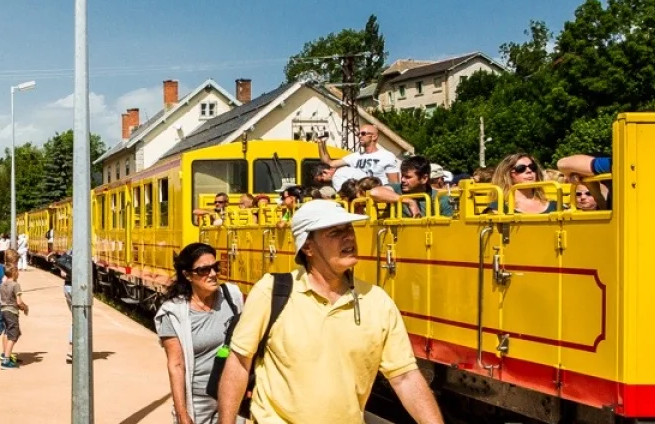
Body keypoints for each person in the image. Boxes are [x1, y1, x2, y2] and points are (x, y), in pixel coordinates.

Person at [215, 200, 444, 424]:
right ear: (308, 247)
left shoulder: (376, 301)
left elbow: (404, 377)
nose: (349, 237)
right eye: (334, 232)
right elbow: (238, 363)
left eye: (349, 229)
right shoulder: (271, 292)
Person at [155, 243, 242, 424]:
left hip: (232, 395)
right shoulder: (174, 313)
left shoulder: (232, 296)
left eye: (215, 267)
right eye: (203, 270)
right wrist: (182, 413)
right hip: (199, 401)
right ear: (187, 275)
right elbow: (176, 365)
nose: (212, 274)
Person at [315, 124, 401, 185]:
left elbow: (394, 184)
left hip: (378, 200)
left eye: (363, 134)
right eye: (358, 134)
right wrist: (320, 143)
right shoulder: (355, 156)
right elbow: (329, 163)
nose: (359, 136)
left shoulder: (387, 156)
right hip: (360, 199)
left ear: (374, 137)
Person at [0, 252, 27, 370]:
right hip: (12, 312)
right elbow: (18, 302)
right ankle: (6, 360)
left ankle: (5, 355)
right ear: (14, 273)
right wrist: (25, 307)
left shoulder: (2, 284)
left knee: (9, 332)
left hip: (3, 310)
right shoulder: (15, 285)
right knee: (13, 335)